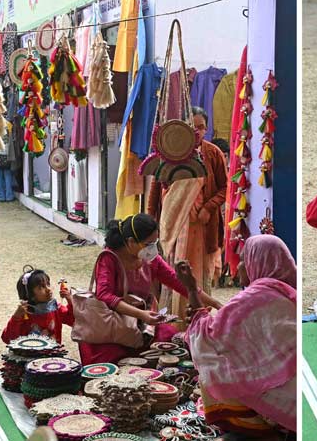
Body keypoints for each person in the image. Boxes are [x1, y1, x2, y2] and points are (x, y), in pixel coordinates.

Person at [180, 235, 296, 439]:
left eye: (243, 259)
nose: (239, 265)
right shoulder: (286, 292)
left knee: (213, 366)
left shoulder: (256, 296)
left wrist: (191, 289)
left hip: (283, 410)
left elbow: (209, 339)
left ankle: (259, 426)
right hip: (294, 402)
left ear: (257, 261)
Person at [79, 213, 222, 364]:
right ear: (131, 242)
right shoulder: (109, 258)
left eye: (155, 243)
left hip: (142, 324)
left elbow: (181, 284)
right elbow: (104, 295)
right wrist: (141, 314)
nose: (153, 249)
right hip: (112, 327)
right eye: (149, 244)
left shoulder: (151, 260)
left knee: (173, 341)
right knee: (114, 364)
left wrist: (217, 304)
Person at [147, 106, 228, 318]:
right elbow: (155, 190)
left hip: (202, 225)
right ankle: (174, 319)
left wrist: (208, 207)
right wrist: (149, 221)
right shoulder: (170, 151)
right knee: (173, 270)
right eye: (193, 127)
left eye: (202, 128)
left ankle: (199, 321)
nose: (198, 132)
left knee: (198, 273)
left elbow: (225, 188)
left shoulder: (213, 153)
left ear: (207, 129)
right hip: (173, 225)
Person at [1, 267, 74, 343]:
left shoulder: (56, 308)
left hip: (53, 354)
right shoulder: (24, 314)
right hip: (28, 354)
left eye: (48, 284)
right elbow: (7, 339)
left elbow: (73, 321)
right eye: (41, 287)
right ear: (30, 295)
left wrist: (70, 300)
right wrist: (16, 317)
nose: (48, 289)